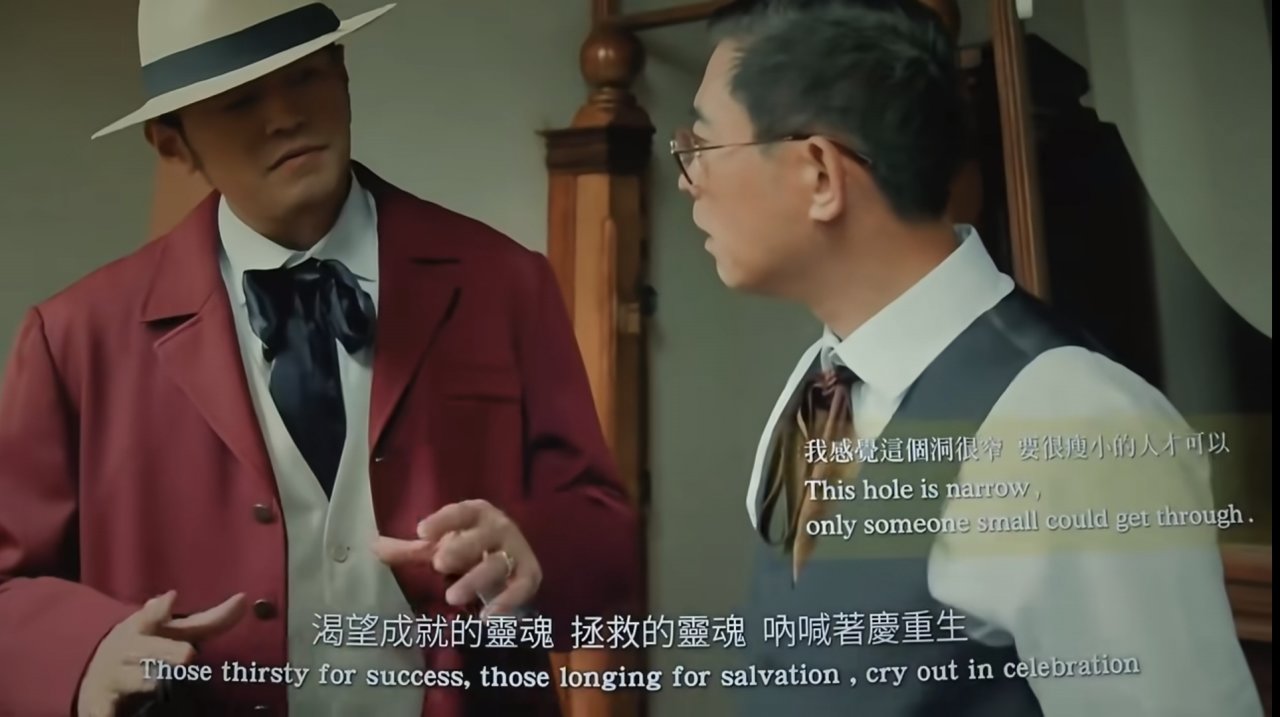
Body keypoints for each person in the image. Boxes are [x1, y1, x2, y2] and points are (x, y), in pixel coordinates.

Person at [0, 1, 639, 716]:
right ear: (172, 141)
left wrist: (531, 547)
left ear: (342, 74)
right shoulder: (76, 338)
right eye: (240, 101)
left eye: (304, 77)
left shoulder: (503, 281)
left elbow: (606, 539)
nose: (284, 117)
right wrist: (85, 651)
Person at [674, 1, 1264, 715]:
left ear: (820, 174)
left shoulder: (1075, 424)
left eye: (703, 145)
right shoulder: (822, 384)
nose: (687, 178)